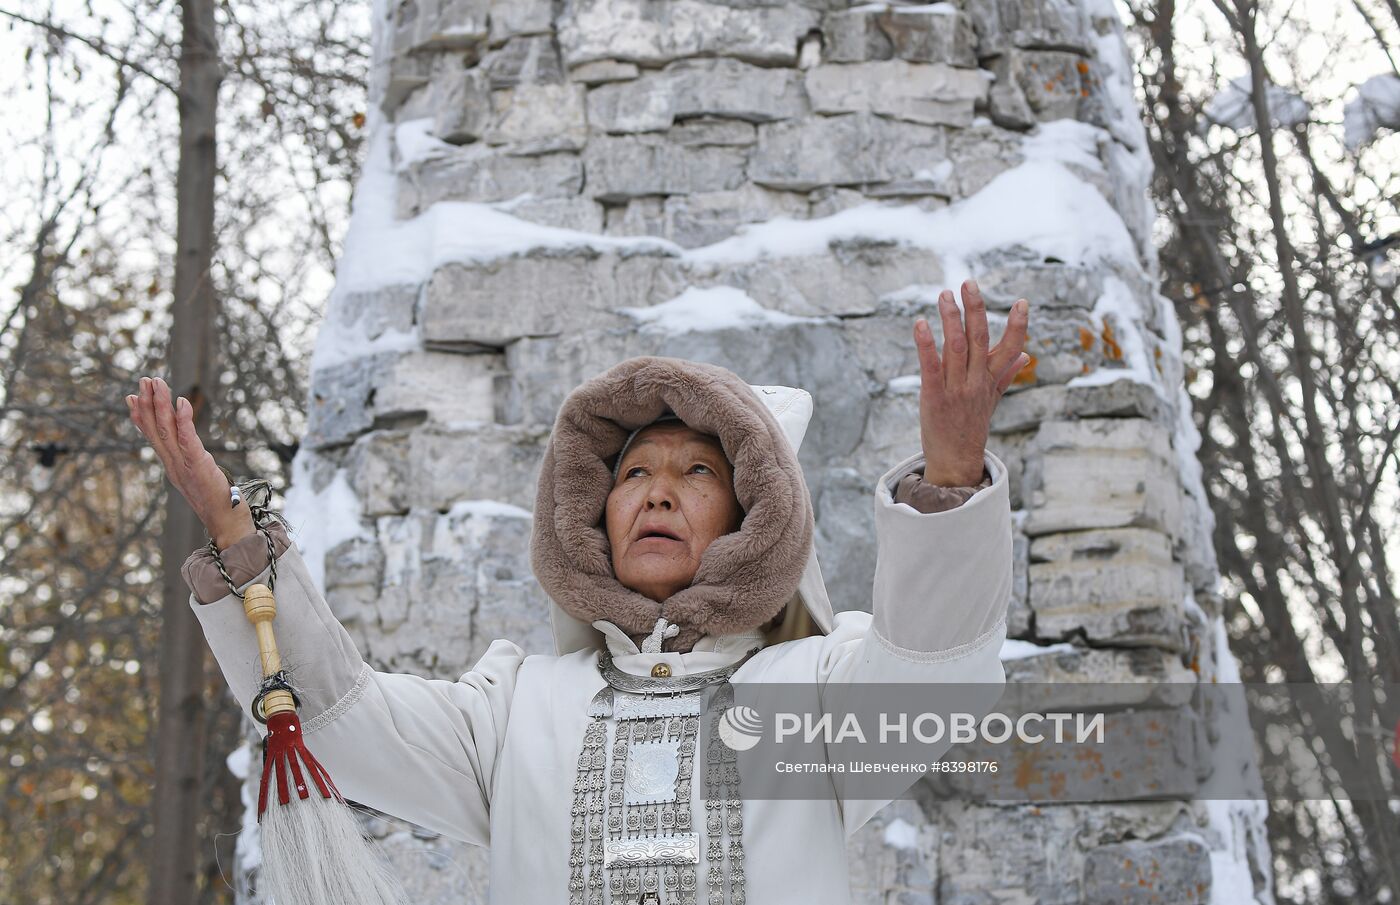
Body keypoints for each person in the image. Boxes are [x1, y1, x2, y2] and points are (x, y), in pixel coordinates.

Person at [127, 281, 1030, 905]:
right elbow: (343, 717)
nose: (658, 491)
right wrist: (238, 537)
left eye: (697, 470)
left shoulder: (816, 694)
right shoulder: (518, 709)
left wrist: (950, 477)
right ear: (592, 511)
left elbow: (932, 669)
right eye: (634, 470)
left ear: (751, 510)